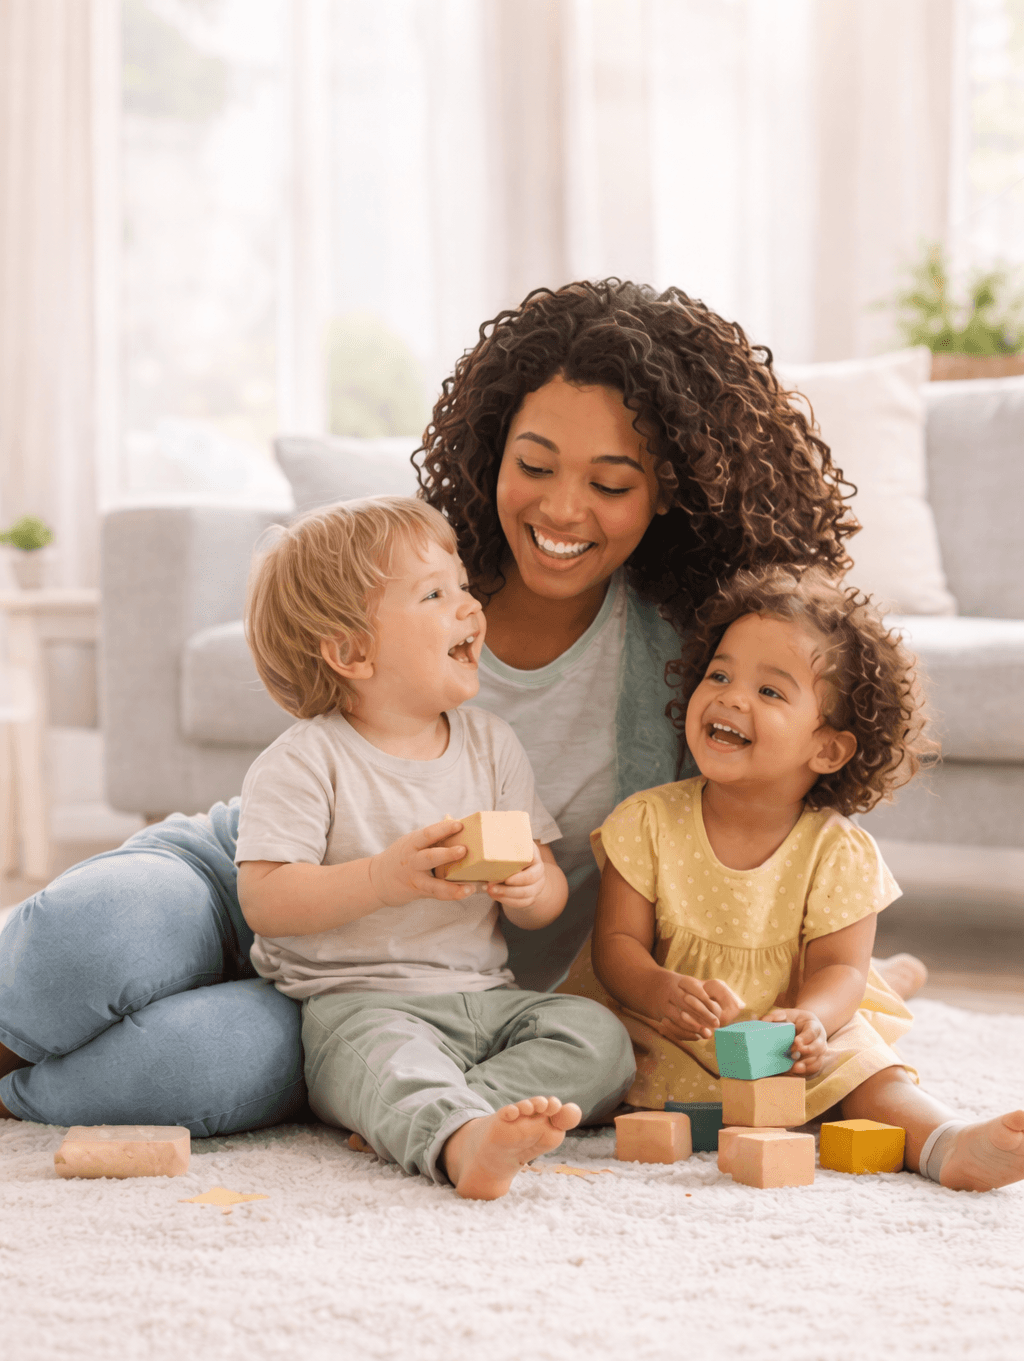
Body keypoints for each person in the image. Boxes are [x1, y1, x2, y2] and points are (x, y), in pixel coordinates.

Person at [0, 278, 921, 1134]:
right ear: (492, 451)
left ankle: (21, 1094)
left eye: (610, 483)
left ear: (668, 495)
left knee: (196, 1071)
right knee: (85, 948)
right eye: (535, 464)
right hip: (257, 880)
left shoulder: (698, 662)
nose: (563, 510)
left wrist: (850, 998)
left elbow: (765, 866)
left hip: (413, 994)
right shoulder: (429, 566)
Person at [235, 495, 633, 1198]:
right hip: (361, 1005)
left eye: (463, 586)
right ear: (352, 651)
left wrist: (531, 888)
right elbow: (265, 900)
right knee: (386, 1059)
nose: (470, 607)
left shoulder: (491, 744)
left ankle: (441, 1113)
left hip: (487, 998)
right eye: (434, 593)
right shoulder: (306, 760)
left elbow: (546, 896)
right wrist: (384, 879)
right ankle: (457, 1140)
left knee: (599, 1039)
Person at [587, 566, 1024, 1191]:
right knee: (596, 1056)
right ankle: (894, 977)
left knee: (868, 1065)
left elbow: (839, 971)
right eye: (720, 674)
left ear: (828, 750)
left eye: (770, 692)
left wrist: (812, 1019)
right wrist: (658, 990)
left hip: (788, 1038)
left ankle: (947, 1145)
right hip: (671, 1031)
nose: (732, 696)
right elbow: (615, 947)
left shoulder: (837, 852)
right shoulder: (646, 822)